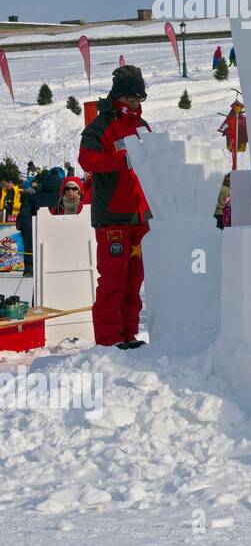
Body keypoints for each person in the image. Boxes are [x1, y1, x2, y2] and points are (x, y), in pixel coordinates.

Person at [79, 65, 152, 350]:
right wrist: (121, 160)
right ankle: (110, 340)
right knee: (113, 281)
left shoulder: (143, 127)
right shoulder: (99, 127)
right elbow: (87, 160)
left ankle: (129, 334)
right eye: (133, 97)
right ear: (120, 97)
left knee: (134, 281)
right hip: (113, 218)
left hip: (140, 216)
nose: (137, 103)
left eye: (140, 98)